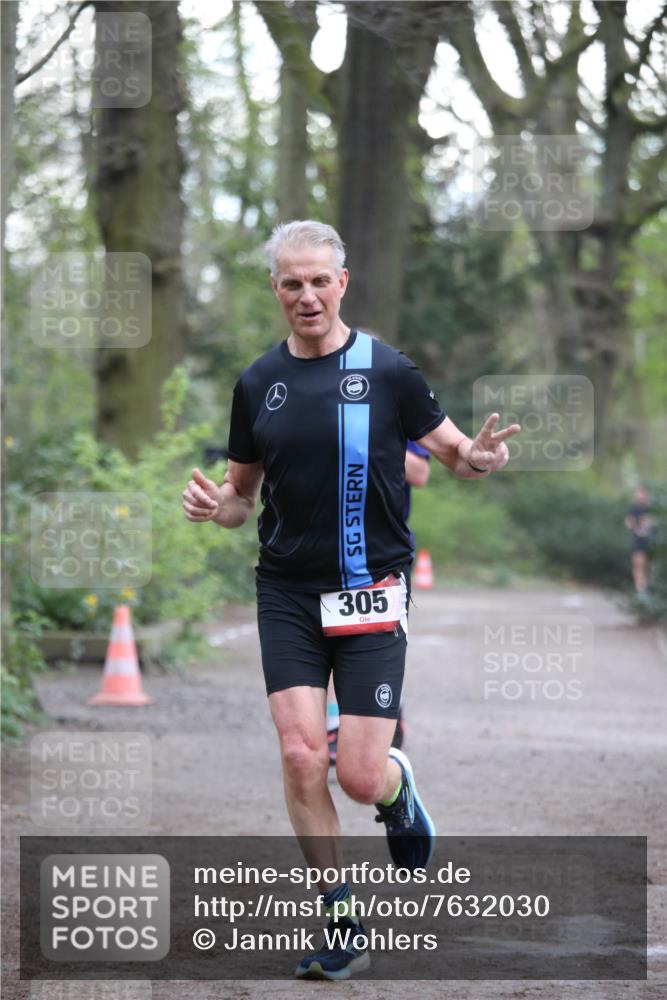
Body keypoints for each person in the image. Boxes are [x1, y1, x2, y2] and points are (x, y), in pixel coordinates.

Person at [182, 220, 520, 980]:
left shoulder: (388, 370)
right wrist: (216, 510)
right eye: (290, 282)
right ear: (276, 289)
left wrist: (481, 456)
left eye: (318, 280)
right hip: (288, 592)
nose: (305, 294)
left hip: (370, 591)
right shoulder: (256, 382)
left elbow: (455, 453)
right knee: (303, 753)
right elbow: (240, 498)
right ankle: (339, 916)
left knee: (358, 776)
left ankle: (395, 792)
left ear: (342, 282)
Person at [327, 439, 430, 764]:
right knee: (326, 638)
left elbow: (419, 472)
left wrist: (356, 438)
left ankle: (386, 707)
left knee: (372, 640)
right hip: (321, 546)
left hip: (382, 553)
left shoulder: (394, 394)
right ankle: (334, 724)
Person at [625, 485, 654, 595]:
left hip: (651, 542)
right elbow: (628, 522)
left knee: (649, 566)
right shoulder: (633, 508)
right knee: (638, 564)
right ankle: (640, 590)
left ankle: (648, 589)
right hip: (638, 541)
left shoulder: (651, 508)